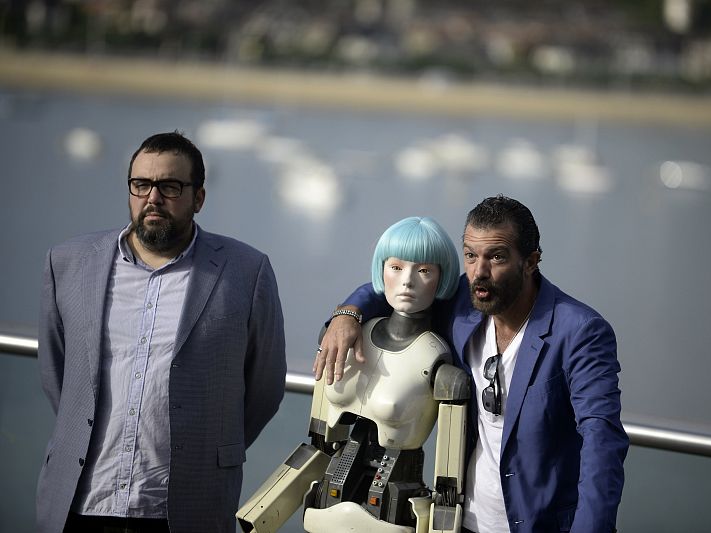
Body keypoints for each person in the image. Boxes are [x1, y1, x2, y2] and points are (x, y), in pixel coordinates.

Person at [315, 195, 628, 533]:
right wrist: (348, 313)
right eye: (470, 256)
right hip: (460, 521)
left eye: (496, 257)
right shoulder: (464, 305)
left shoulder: (580, 331)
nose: (479, 272)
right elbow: (396, 288)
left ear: (531, 261)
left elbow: (602, 441)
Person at [36, 131, 287, 533]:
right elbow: (57, 373)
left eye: (170, 186)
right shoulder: (68, 262)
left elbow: (266, 385)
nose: (153, 198)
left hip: (185, 508)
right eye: (141, 185)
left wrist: (206, 447)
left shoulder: (246, 271)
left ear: (198, 198)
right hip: (80, 504)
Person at [238, 216, 470, 533]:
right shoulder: (346, 336)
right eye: (396, 267)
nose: (407, 281)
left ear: (441, 279)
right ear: (382, 269)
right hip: (325, 507)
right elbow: (318, 442)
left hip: (394, 509)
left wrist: (443, 519)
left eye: (424, 270)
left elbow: (448, 483)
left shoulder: (436, 360)